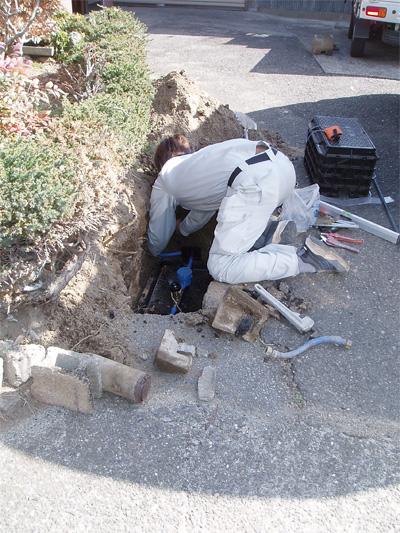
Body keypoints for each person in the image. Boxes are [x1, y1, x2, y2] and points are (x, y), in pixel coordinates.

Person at [147, 134, 349, 284]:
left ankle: (302, 259)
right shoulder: (201, 160)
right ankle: (269, 233)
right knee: (239, 207)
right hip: (284, 171)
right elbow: (205, 206)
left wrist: (152, 253)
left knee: (221, 266)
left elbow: (159, 230)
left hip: (257, 183)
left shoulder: (165, 178)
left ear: (161, 163)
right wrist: (183, 229)